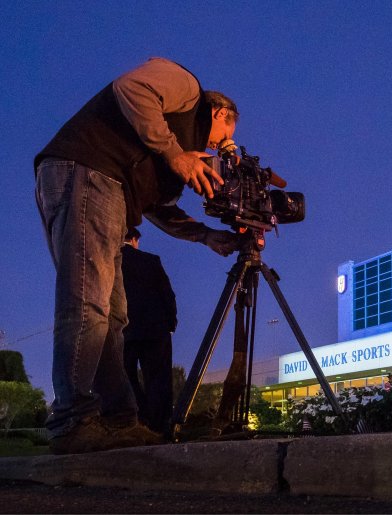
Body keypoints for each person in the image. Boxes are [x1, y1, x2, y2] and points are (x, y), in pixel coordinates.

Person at [35, 57, 241, 454]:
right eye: (222, 137)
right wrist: (174, 154)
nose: (219, 148)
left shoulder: (172, 151)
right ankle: (72, 419)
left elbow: (158, 209)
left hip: (111, 191)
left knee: (113, 317)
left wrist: (206, 236)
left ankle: (119, 419)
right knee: (87, 303)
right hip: (87, 169)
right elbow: (131, 88)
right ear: (218, 112)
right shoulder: (186, 88)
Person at [121, 228, 176, 435]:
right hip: (156, 328)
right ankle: (161, 425)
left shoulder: (112, 261)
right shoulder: (151, 261)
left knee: (125, 376)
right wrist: (171, 323)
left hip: (125, 329)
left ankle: (139, 417)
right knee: (158, 378)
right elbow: (167, 294)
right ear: (134, 239)